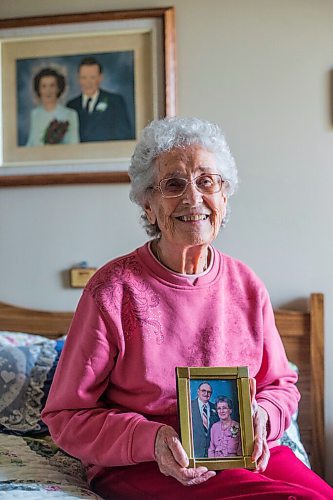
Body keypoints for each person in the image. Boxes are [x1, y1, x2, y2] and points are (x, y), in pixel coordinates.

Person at [42, 117, 333, 499]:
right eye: (173, 184)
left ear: (224, 198)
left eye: (206, 181)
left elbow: (279, 384)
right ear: (148, 205)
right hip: (147, 463)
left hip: (241, 450)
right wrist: (152, 438)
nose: (193, 198)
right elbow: (66, 416)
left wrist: (263, 416)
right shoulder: (111, 290)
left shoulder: (246, 285)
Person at [67, 56, 134, 142]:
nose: (88, 82)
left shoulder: (115, 101)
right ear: (78, 78)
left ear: (100, 77)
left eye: (92, 77)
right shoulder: (71, 105)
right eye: (84, 77)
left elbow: (124, 136)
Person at [26, 67, 79, 146]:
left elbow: (74, 144)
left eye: (52, 86)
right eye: (44, 86)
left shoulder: (70, 114)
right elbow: (31, 143)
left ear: (58, 88)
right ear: (39, 90)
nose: (48, 91)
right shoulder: (35, 114)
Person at [191, 382, 219, 457]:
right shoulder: (188, 406)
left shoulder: (216, 408)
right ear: (198, 392)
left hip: (213, 454)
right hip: (194, 453)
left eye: (209, 392)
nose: (206, 393)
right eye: (203, 390)